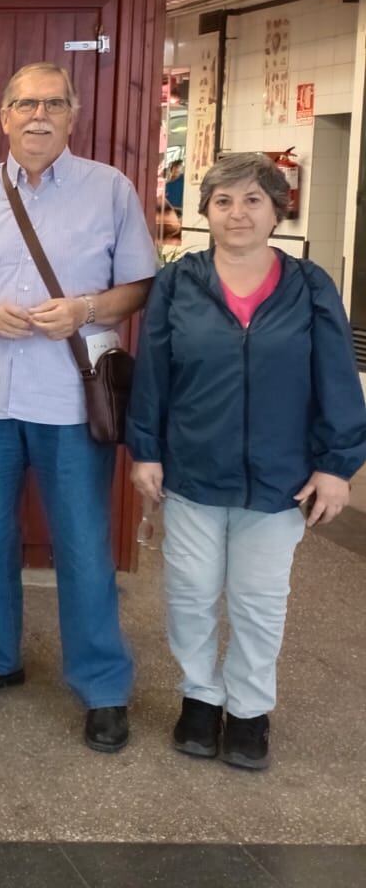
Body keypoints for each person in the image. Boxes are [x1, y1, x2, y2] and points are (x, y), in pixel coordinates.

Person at [0, 61, 156, 755]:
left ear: (72, 114)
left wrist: (83, 307)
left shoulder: (108, 189)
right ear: (3, 117)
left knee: (82, 543)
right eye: (24, 104)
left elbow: (137, 285)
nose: (37, 115)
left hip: (70, 399)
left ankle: (102, 685)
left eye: (52, 102)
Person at [128, 152, 366, 771]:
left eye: (253, 200)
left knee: (260, 600)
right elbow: (153, 376)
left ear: (275, 209)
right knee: (190, 593)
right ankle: (200, 699)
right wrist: (145, 451)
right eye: (224, 201)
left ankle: (251, 711)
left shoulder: (311, 285)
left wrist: (337, 465)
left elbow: (338, 380)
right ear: (205, 210)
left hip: (280, 479)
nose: (238, 213)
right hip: (192, 470)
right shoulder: (178, 282)